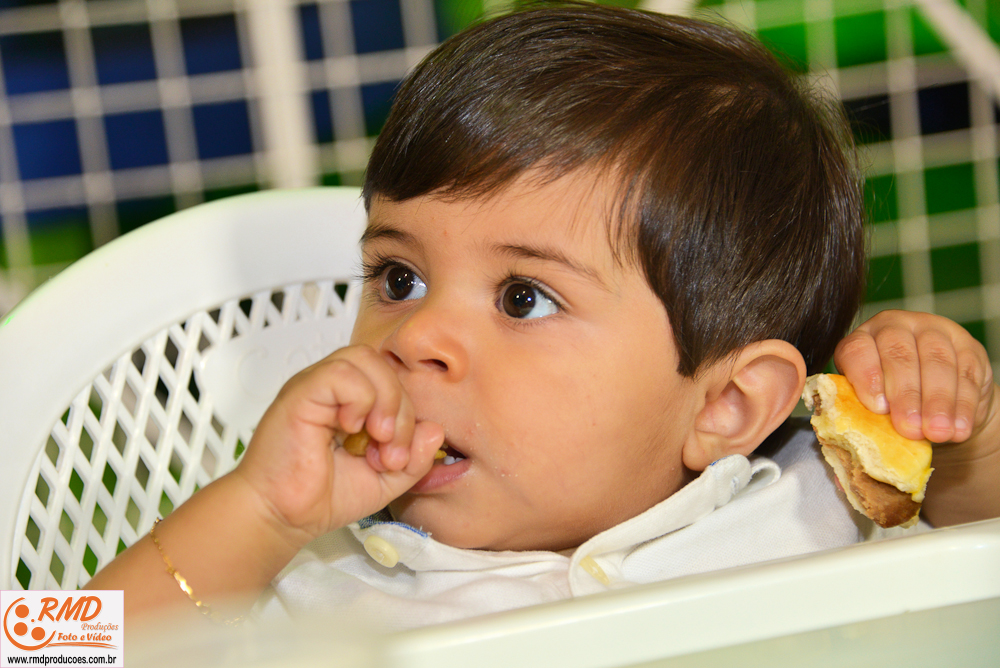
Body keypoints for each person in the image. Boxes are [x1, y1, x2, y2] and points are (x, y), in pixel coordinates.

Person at [86, 1, 1000, 632]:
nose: (416, 338)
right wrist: (259, 514)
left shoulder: (816, 496)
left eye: (522, 298)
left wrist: (962, 434)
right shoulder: (324, 579)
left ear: (727, 407)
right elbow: (47, 648)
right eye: (399, 278)